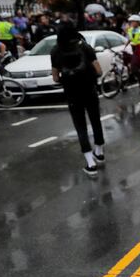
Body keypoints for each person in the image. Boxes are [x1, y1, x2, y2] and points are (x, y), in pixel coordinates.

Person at [50, 24, 105, 177]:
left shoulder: (55, 52)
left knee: (80, 127)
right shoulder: (86, 48)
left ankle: (90, 163)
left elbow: (55, 77)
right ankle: (99, 152)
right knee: (95, 120)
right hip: (89, 90)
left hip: (72, 94)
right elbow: (99, 70)